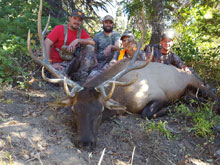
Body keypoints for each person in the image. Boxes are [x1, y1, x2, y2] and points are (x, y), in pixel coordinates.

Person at [45, 9, 95, 75]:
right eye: (75, 18)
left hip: (72, 63)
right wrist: (49, 64)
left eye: (79, 20)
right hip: (58, 63)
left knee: (89, 47)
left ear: (81, 22)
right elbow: (46, 43)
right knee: (59, 78)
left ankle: (82, 75)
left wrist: (78, 40)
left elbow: (93, 42)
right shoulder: (59, 29)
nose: (77, 22)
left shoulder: (81, 32)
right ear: (70, 18)